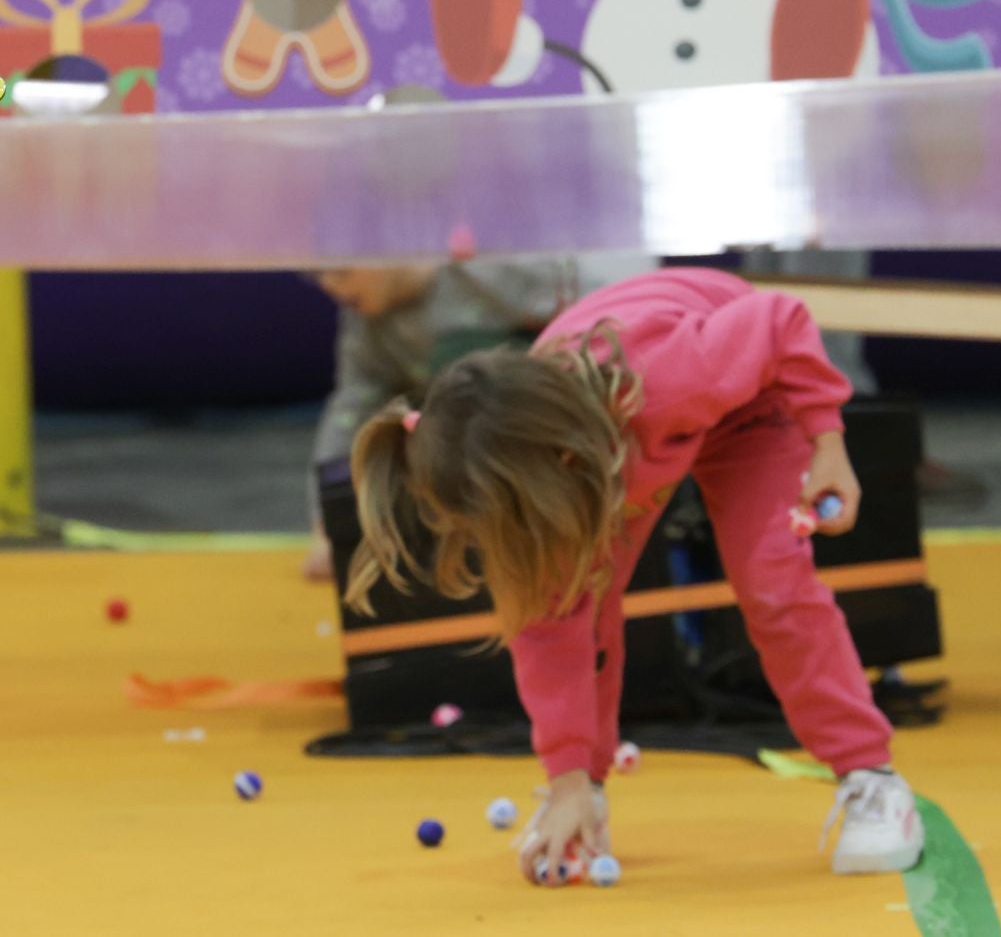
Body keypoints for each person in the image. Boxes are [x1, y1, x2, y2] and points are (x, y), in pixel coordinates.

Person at [345, 268, 923, 883]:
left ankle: (871, 777)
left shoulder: (671, 374)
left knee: (772, 583)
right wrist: (568, 779)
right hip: (611, 444)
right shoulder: (533, 456)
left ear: (558, 467)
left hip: (748, 396)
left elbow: (781, 318)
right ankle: (583, 802)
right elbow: (549, 633)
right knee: (564, 596)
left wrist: (827, 441)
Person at [305, 255, 650, 580]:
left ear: (386, 250)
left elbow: (608, 313)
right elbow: (350, 414)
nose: (329, 286)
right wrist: (330, 523)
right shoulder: (367, 325)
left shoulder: (480, 273)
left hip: (561, 435)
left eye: (340, 270)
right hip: (480, 462)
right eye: (316, 275)